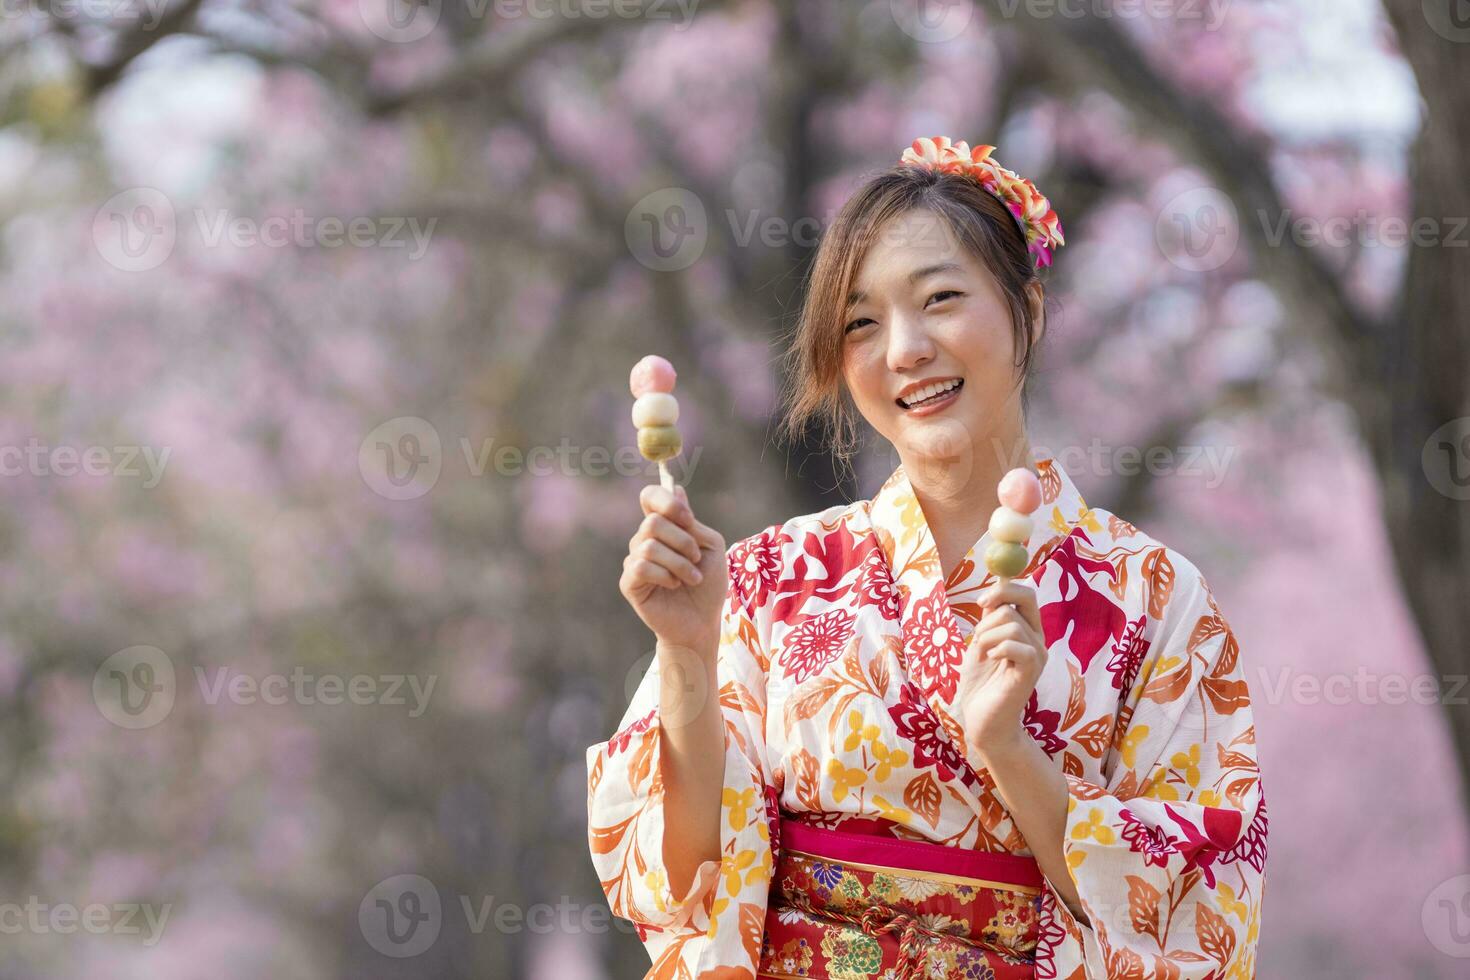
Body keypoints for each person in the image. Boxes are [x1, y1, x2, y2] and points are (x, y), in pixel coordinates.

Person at [588, 137, 1268, 979]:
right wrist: (686, 653)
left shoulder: (1157, 600)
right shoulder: (767, 579)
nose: (904, 349)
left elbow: (1193, 916)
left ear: (1032, 308)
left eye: (940, 298)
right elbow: (680, 881)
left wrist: (1009, 750)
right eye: (861, 323)